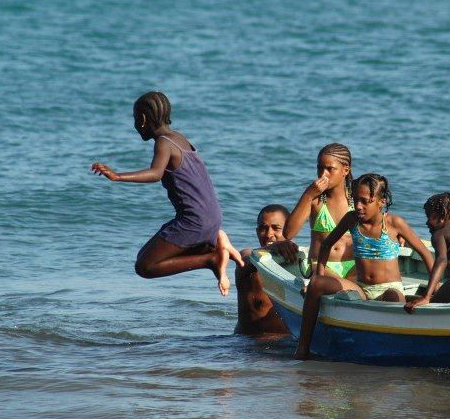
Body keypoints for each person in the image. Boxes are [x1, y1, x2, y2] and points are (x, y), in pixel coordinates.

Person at [90, 91, 243, 296]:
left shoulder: (163, 142)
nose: (135, 126)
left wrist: (118, 176)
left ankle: (212, 258)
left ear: (143, 119)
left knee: (145, 267)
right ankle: (215, 242)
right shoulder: (179, 138)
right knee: (143, 256)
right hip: (211, 218)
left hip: (193, 221)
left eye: (136, 119)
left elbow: (155, 173)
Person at [293, 173, 435, 359]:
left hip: (389, 289)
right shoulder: (352, 219)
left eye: (365, 201)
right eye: (355, 200)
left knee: (393, 301)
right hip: (362, 288)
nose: (358, 206)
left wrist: (429, 294)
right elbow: (326, 245)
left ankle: (390, 354)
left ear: (381, 202)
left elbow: (426, 254)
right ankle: (303, 348)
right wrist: (319, 275)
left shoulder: (394, 223)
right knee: (316, 284)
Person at [284, 143, 356, 281]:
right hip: (321, 267)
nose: (323, 174)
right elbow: (288, 233)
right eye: (320, 168)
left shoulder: (358, 200)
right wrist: (308, 195)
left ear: (345, 170)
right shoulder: (315, 200)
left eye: (330, 169)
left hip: (354, 266)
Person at [234, 204, 297, 335]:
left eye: (276, 228)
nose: (269, 234)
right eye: (263, 228)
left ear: (290, 230)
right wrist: (270, 250)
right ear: (257, 232)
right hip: (249, 345)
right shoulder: (248, 257)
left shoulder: (301, 262)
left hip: (286, 344)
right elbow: (245, 261)